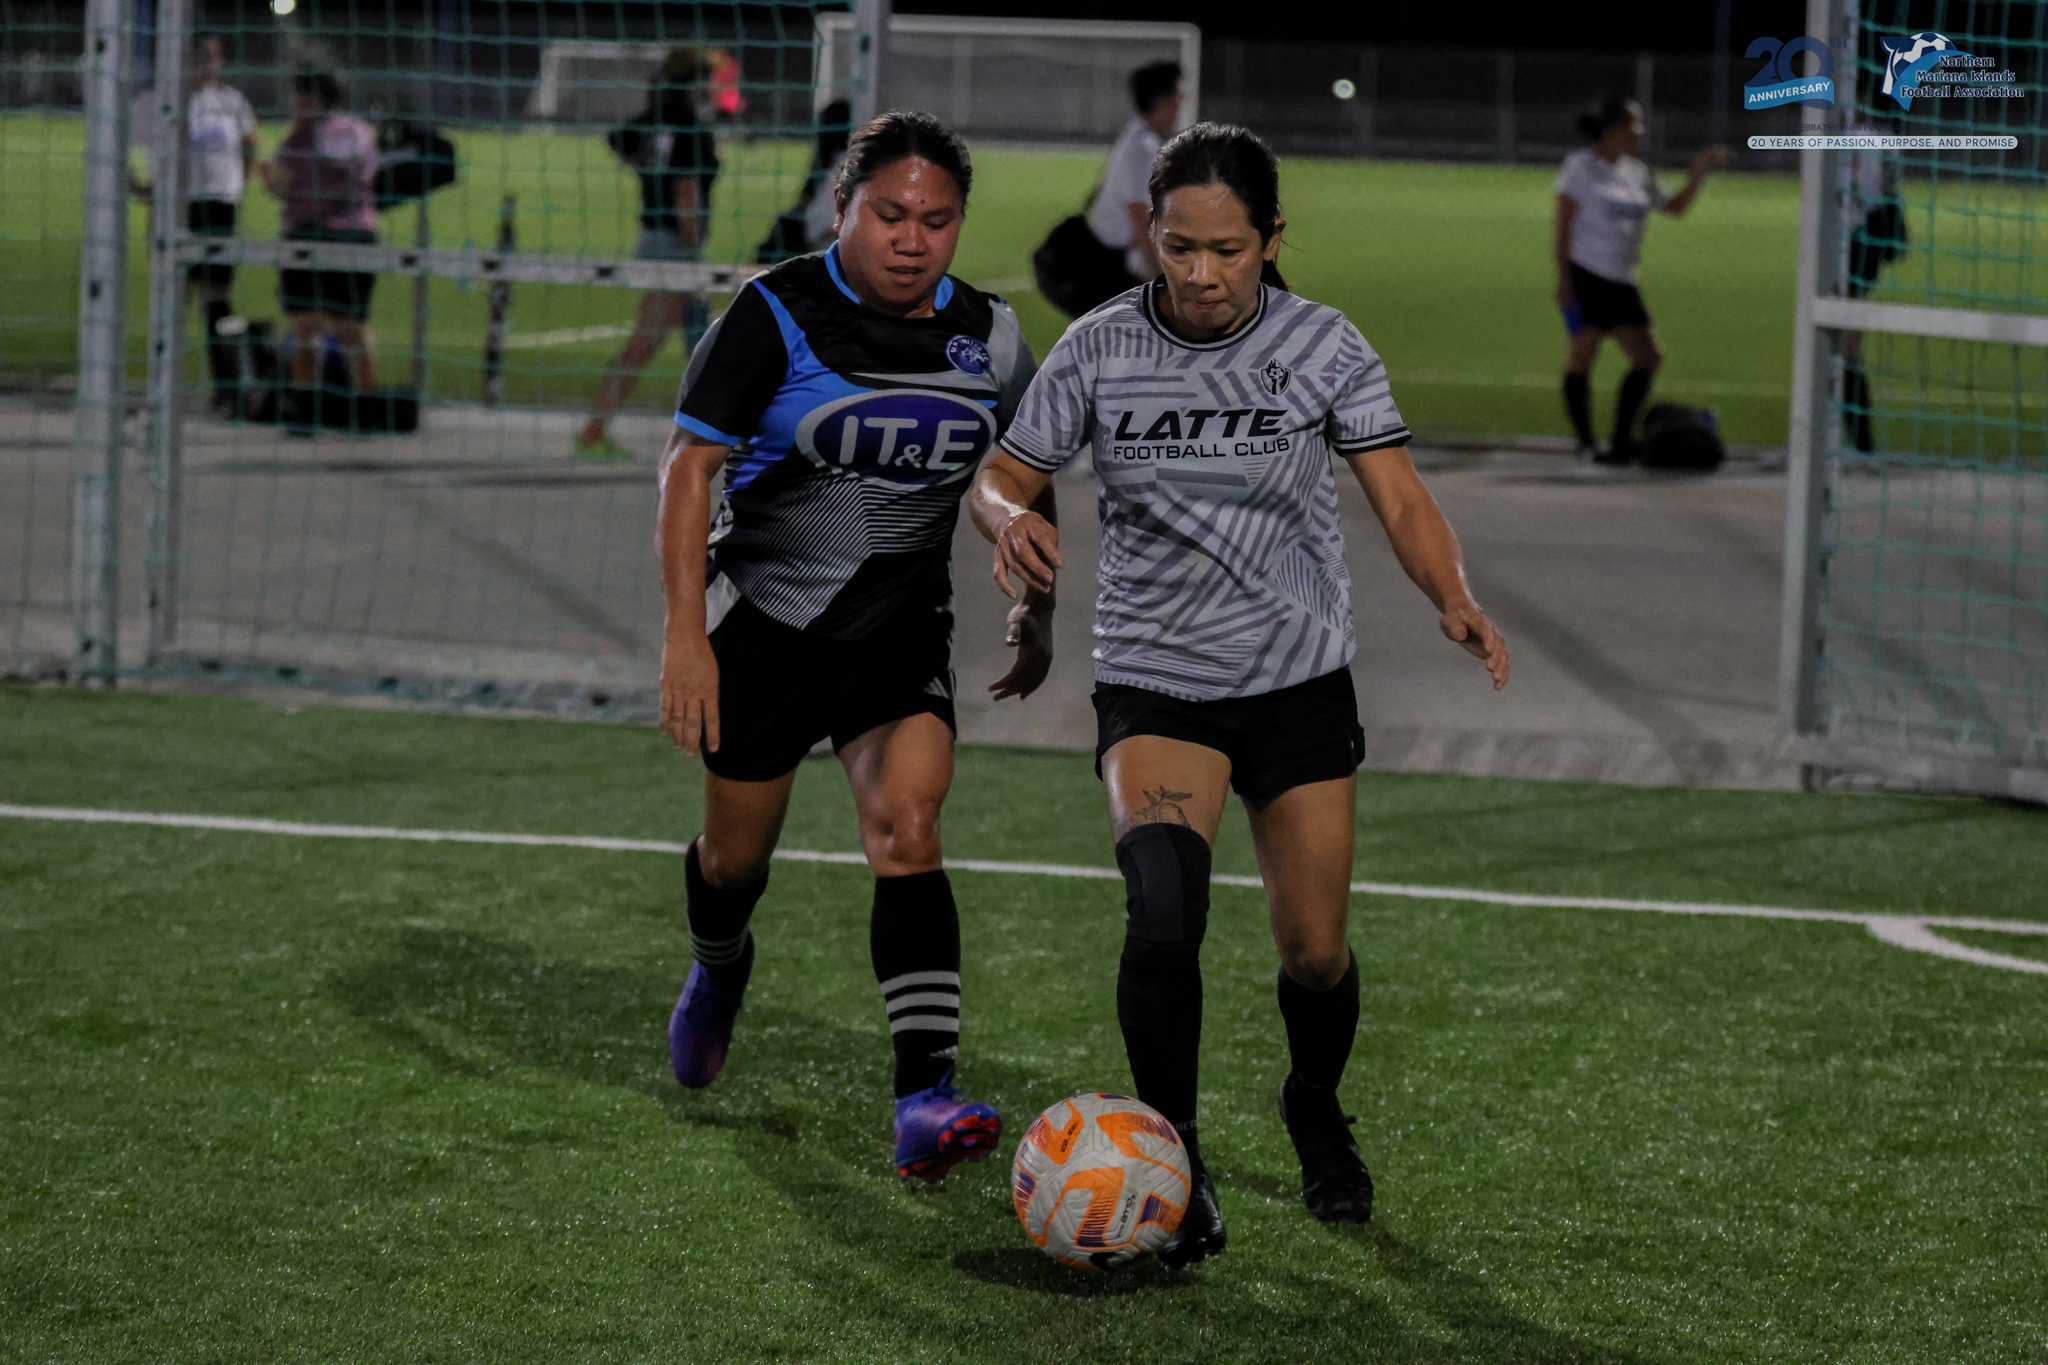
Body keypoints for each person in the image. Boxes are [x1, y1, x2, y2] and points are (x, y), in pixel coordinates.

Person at [969, 124, 1510, 1266]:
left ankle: (1312, 1100)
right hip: (1155, 679)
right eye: (1177, 247)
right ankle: (1179, 1167)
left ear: (1270, 240)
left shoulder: (1321, 346)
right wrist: (1007, 517)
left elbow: (1400, 498)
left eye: (1225, 249)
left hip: (1295, 681)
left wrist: (1449, 597)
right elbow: (1005, 474)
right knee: (1161, 910)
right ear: (1146, 237)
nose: (1200, 273)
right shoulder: (1098, 347)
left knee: (1313, 952)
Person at [655, 110, 1052, 1182]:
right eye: (888, 215)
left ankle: (922, 1096)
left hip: (896, 638)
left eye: (935, 219)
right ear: (842, 208)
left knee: (908, 829)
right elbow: (687, 472)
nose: (911, 239)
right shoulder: (772, 314)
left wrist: (1030, 590)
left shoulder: (992, 335)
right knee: (733, 862)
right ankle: (718, 965)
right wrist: (686, 639)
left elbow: (1020, 466)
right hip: (769, 638)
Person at [1553, 97, 1728, 464]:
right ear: (1614, 128)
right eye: (1635, 123)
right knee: (1582, 359)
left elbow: (1674, 207)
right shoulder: (1580, 167)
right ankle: (1587, 443)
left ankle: (1619, 443)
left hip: (1621, 281)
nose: (1641, 131)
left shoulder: (1637, 172)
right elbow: (1563, 225)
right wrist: (1564, 280)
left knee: (1647, 357)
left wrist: (1699, 171)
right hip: (1587, 276)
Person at [576, 49, 721, 462]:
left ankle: (713, 437)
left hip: (651, 236)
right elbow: (685, 193)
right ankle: (593, 431)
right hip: (675, 244)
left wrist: (645, 172)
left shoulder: (655, 117)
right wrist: (695, 250)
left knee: (701, 340)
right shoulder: (693, 128)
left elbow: (618, 140)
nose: (714, 88)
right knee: (649, 340)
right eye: (708, 80)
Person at [130, 34, 257, 416]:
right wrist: (142, 187)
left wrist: (238, 184)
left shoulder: (229, 101)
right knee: (172, 300)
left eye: (217, 54)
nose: (213, 61)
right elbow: (122, 144)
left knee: (217, 301)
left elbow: (251, 142)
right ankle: (162, 389)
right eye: (206, 54)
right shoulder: (155, 101)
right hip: (175, 209)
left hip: (218, 208)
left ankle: (228, 390)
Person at [258, 67, 380, 433]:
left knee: (326, 327)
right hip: (331, 237)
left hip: (327, 239)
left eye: (297, 96)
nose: (291, 104)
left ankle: (335, 411)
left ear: (313, 99)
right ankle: (336, 410)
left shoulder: (320, 136)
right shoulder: (342, 135)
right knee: (328, 327)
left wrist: (272, 175)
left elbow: (289, 185)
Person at [754, 99, 853, 264]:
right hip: (823, 238)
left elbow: (816, 217)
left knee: (785, 228)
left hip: (827, 240)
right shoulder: (832, 164)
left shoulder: (842, 165)